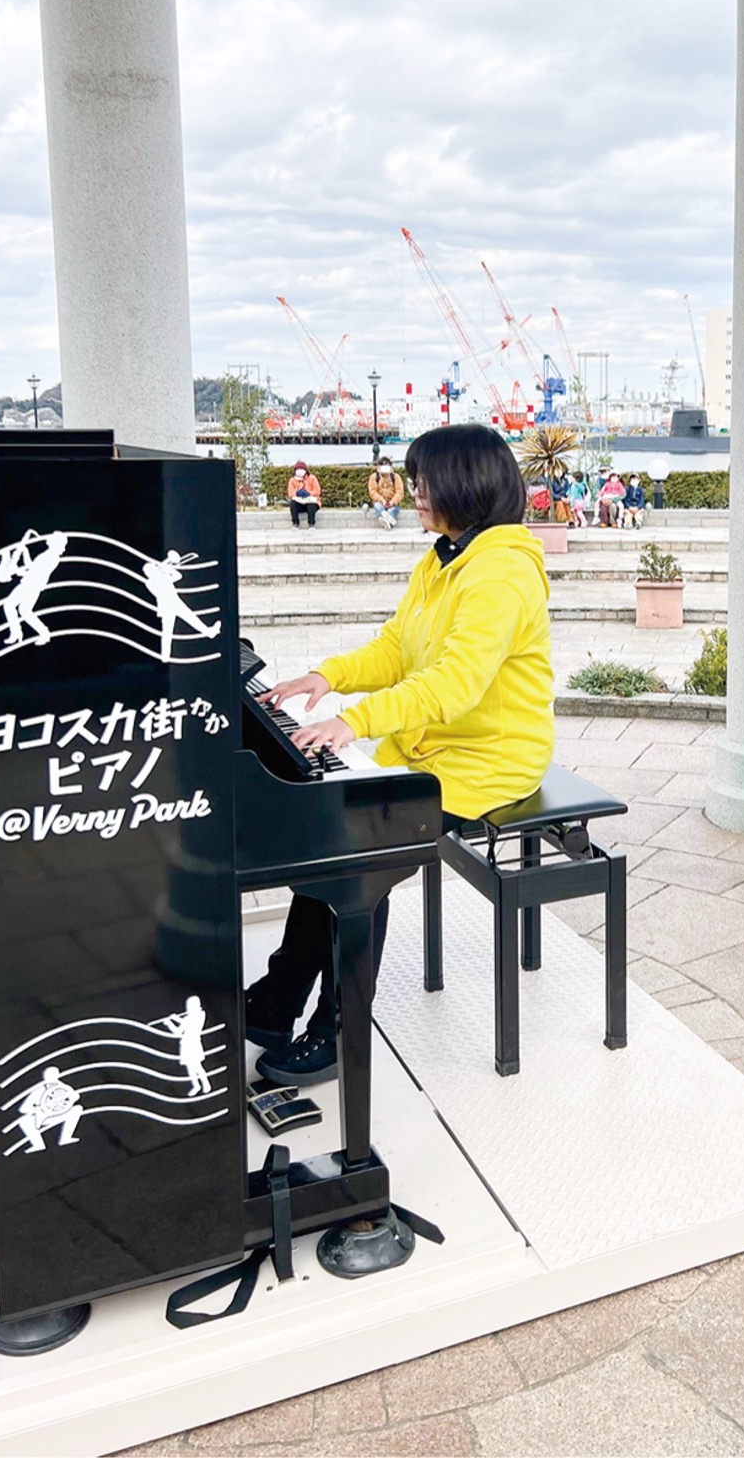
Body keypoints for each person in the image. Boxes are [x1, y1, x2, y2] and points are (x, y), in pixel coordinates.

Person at [245, 424, 555, 1083]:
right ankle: (276, 1001)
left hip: (488, 760)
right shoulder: (443, 556)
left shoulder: (500, 571)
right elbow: (396, 650)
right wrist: (326, 678)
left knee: (360, 848)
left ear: (466, 485)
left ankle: (336, 1029)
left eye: (423, 482)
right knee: (329, 830)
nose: (411, 494)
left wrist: (352, 722)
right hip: (432, 748)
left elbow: (454, 683)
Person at [367, 457, 404, 529]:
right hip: (380, 503)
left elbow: (399, 492)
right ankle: (388, 520)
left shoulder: (396, 477)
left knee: (394, 509)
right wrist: (382, 500)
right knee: (377, 506)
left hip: (393, 503)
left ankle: (386, 519)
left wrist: (392, 502)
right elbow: (373, 491)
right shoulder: (374, 477)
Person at [287, 461, 321, 528]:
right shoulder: (292, 480)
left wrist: (308, 493)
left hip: (311, 501)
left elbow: (317, 491)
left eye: (302, 469)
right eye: (297, 469)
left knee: (311, 505)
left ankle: (311, 524)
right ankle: (295, 523)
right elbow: (290, 493)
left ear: (306, 470)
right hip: (299, 502)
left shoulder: (312, 478)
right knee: (293, 504)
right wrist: (297, 493)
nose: (299, 471)